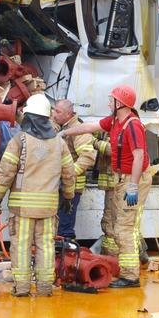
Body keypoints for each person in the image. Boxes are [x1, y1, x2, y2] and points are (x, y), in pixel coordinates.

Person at [60, 84, 148, 287]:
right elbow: (91, 127)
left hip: (132, 179)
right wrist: (67, 133)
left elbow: (139, 156)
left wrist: (133, 186)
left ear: (120, 103)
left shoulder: (132, 125)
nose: (109, 102)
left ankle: (130, 276)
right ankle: (127, 272)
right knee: (118, 226)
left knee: (124, 228)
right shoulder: (116, 121)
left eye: (112, 99)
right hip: (123, 178)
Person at [0, 93, 75, 297]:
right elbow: (69, 172)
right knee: (46, 246)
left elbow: (6, 173)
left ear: (29, 117)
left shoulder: (19, 141)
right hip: (48, 209)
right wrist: (69, 196)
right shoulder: (58, 143)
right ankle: (45, 287)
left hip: (23, 210)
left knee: (21, 247)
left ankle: (21, 288)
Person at [51, 98, 98, 240]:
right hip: (58, 185)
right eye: (53, 109)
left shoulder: (78, 130)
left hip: (71, 187)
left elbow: (88, 157)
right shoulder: (60, 126)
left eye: (58, 111)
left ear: (68, 114)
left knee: (64, 228)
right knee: (57, 225)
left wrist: (69, 173)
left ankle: (67, 255)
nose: (54, 114)